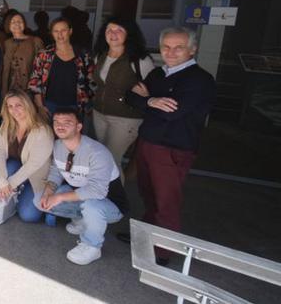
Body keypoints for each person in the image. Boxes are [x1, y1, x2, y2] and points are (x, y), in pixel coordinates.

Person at [122, 27, 216, 264]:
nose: (171, 52)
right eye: (166, 47)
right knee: (148, 193)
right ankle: (145, 238)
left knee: (166, 201)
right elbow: (130, 96)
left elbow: (172, 113)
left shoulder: (200, 79)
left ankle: (163, 251)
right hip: (148, 142)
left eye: (179, 47)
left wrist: (145, 100)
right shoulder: (158, 74)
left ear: (192, 49)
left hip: (173, 148)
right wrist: (152, 101)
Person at [37, 108, 127, 265]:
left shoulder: (97, 152)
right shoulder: (58, 146)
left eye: (67, 123)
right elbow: (56, 173)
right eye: (56, 122)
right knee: (39, 199)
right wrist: (48, 192)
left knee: (91, 205)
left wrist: (59, 197)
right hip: (81, 195)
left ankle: (92, 246)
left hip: (110, 204)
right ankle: (82, 220)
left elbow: (97, 191)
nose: (60, 126)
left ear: (79, 127)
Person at [92, 18, 154, 179]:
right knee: (102, 158)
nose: (113, 34)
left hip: (126, 118)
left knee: (112, 160)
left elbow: (154, 87)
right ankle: (102, 197)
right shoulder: (101, 55)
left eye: (118, 29)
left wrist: (147, 95)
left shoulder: (139, 60)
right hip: (100, 114)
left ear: (129, 34)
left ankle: (117, 201)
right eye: (109, 30)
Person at [0, 90, 54, 223]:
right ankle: (12, 194)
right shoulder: (7, 124)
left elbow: (33, 165)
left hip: (36, 176)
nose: (14, 110)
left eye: (18, 105)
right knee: (11, 165)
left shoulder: (42, 130)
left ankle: (17, 195)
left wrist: (9, 185)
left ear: (28, 105)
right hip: (15, 169)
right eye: (10, 106)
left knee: (28, 216)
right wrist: (2, 182)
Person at [29, 17, 94, 118]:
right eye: (56, 31)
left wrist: (87, 100)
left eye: (63, 30)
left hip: (75, 106)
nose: (60, 34)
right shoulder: (44, 55)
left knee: (72, 133)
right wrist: (40, 106)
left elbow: (91, 78)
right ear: (52, 33)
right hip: (49, 105)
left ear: (70, 31)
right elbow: (35, 81)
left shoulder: (82, 54)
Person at [1, 11, 45, 97]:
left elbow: (43, 67)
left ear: (24, 24)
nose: (17, 24)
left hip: (29, 88)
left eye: (20, 21)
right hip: (10, 87)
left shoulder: (35, 41)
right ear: (8, 25)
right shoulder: (6, 43)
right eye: (13, 22)